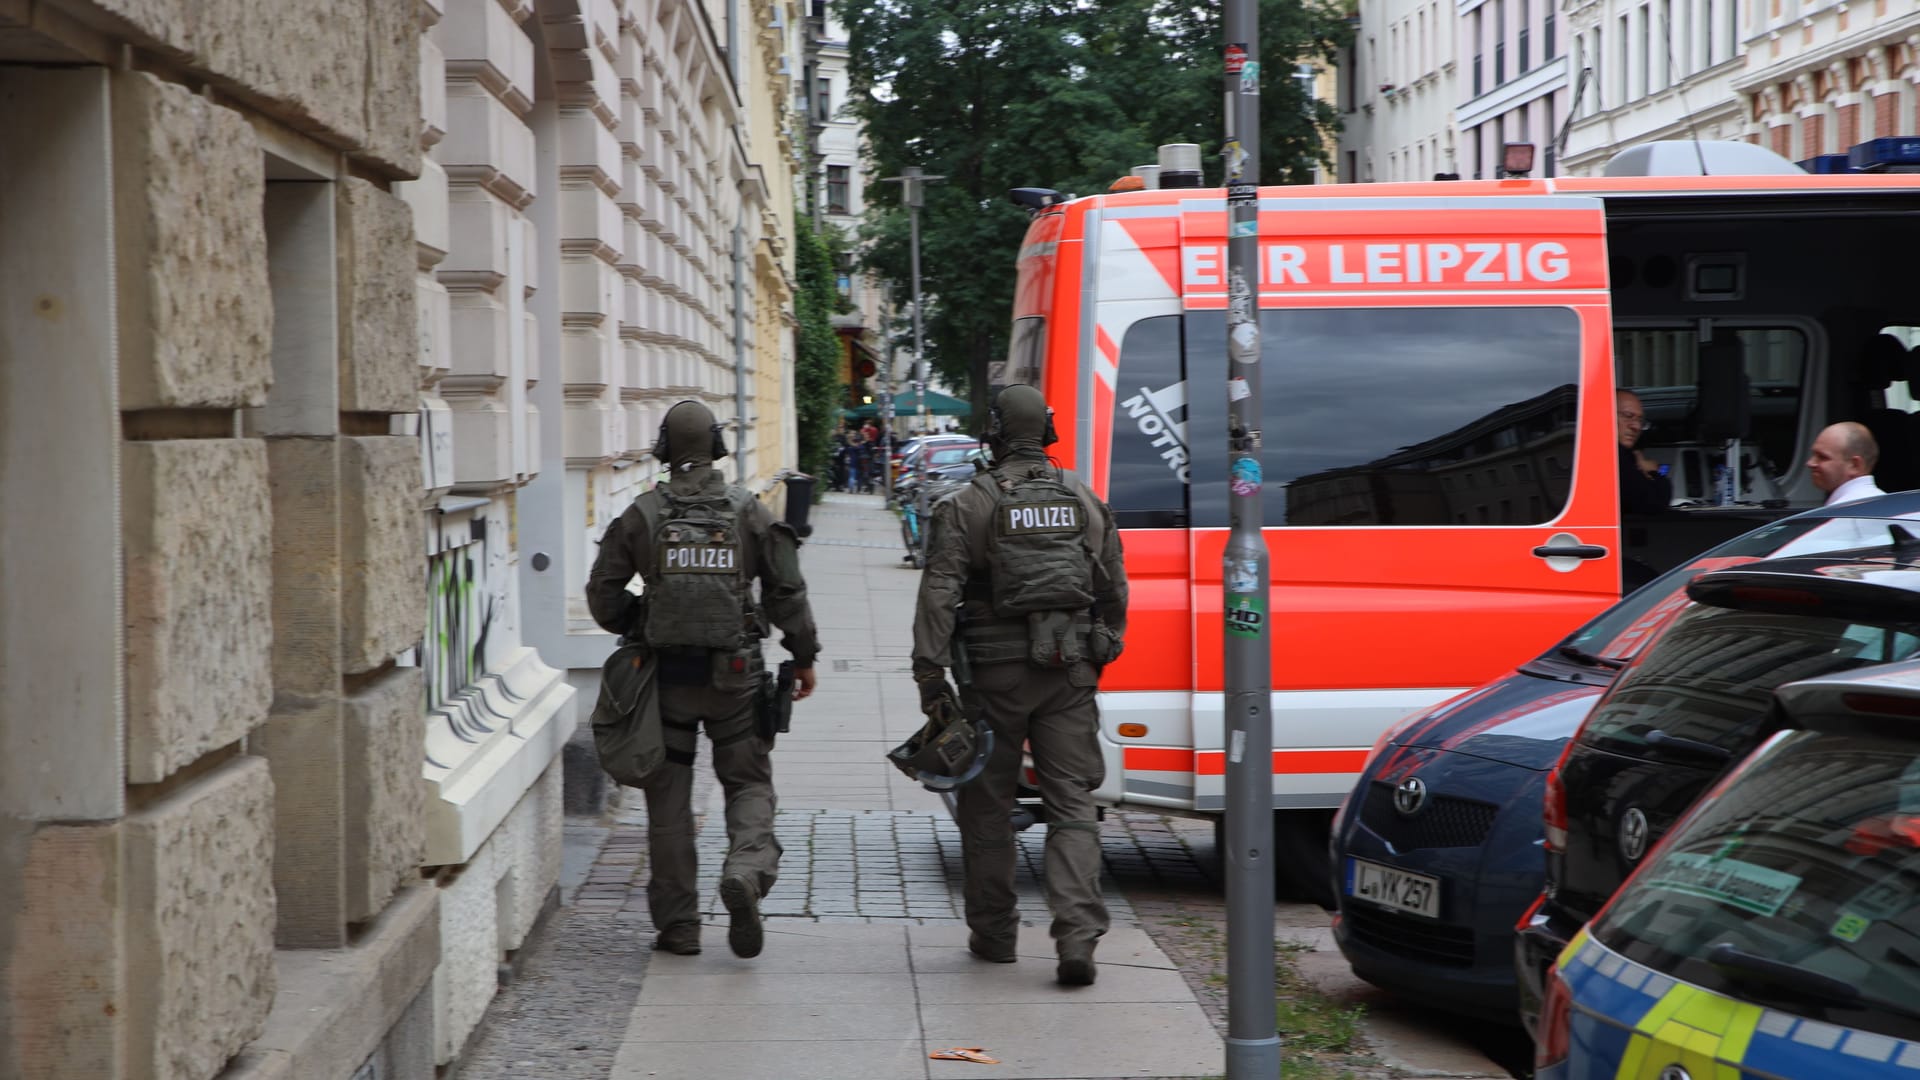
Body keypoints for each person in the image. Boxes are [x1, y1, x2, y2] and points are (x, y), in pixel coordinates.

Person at [909, 383, 1129, 987]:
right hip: (1070, 675)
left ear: (996, 433)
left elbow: (938, 593)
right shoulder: (1082, 499)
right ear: (1047, 433)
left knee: (988, 807)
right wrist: (1099, 650)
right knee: (1072, 805)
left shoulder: (969, 504)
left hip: (992, 676)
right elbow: (1113, 590)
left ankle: (995, 935)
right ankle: (1077, 937)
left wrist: (930, 674)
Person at [586, 400, 819, 959]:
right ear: (716, 447)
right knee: (748, 783)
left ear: (665, 450)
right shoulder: (748, 511)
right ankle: (745, 871)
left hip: (665, 679)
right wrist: (803, 654)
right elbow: (787, 591)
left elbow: (603, 597)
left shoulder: (641, 514)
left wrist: (640, 622)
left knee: (669, 800)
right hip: (735, 678)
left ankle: (680, 925)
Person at [1616, 389, 1671, 514]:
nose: (1636, 426)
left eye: (1640, 420)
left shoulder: (1627, 457)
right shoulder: (1613, 457)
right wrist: (1653, 472)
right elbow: (1654, 505)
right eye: (1628, 416)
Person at [1807, 421, 1886, 506]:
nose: (1810, 463)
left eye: (1822, 457)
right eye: (1814, 454)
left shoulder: (1841, 513)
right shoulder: (1891, 506)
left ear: (1854, 465)